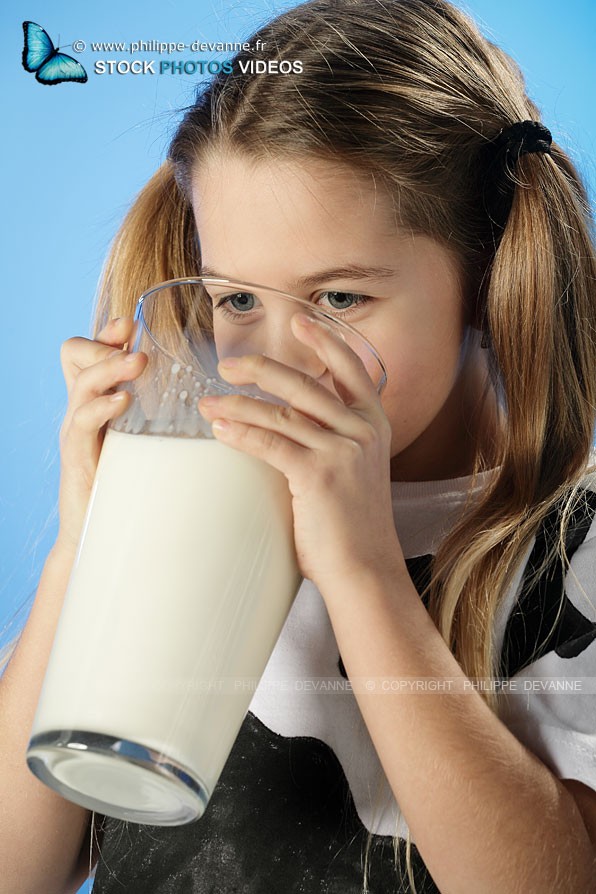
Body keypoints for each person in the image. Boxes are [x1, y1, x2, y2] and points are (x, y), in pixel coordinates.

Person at [1, 0, 595, 891]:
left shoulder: (571, 547)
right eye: (238, 301)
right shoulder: (192, 504)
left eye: (338, 301)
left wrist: (361, 571)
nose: (277, 358)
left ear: (487, 279)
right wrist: (84, 553)